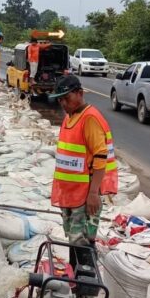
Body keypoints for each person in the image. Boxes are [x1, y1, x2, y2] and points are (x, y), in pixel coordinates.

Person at [48, 75, 117, 264]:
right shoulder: (71, 117)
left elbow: (100, 157)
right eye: (60, 99)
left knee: (83, 243)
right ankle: (77, 284)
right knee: (74, 241)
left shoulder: (90, 118)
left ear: (79, 93)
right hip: (71, 195)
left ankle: (86, 289)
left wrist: (93, 193)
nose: (63, 103)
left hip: (85, 195)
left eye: (66, 98)